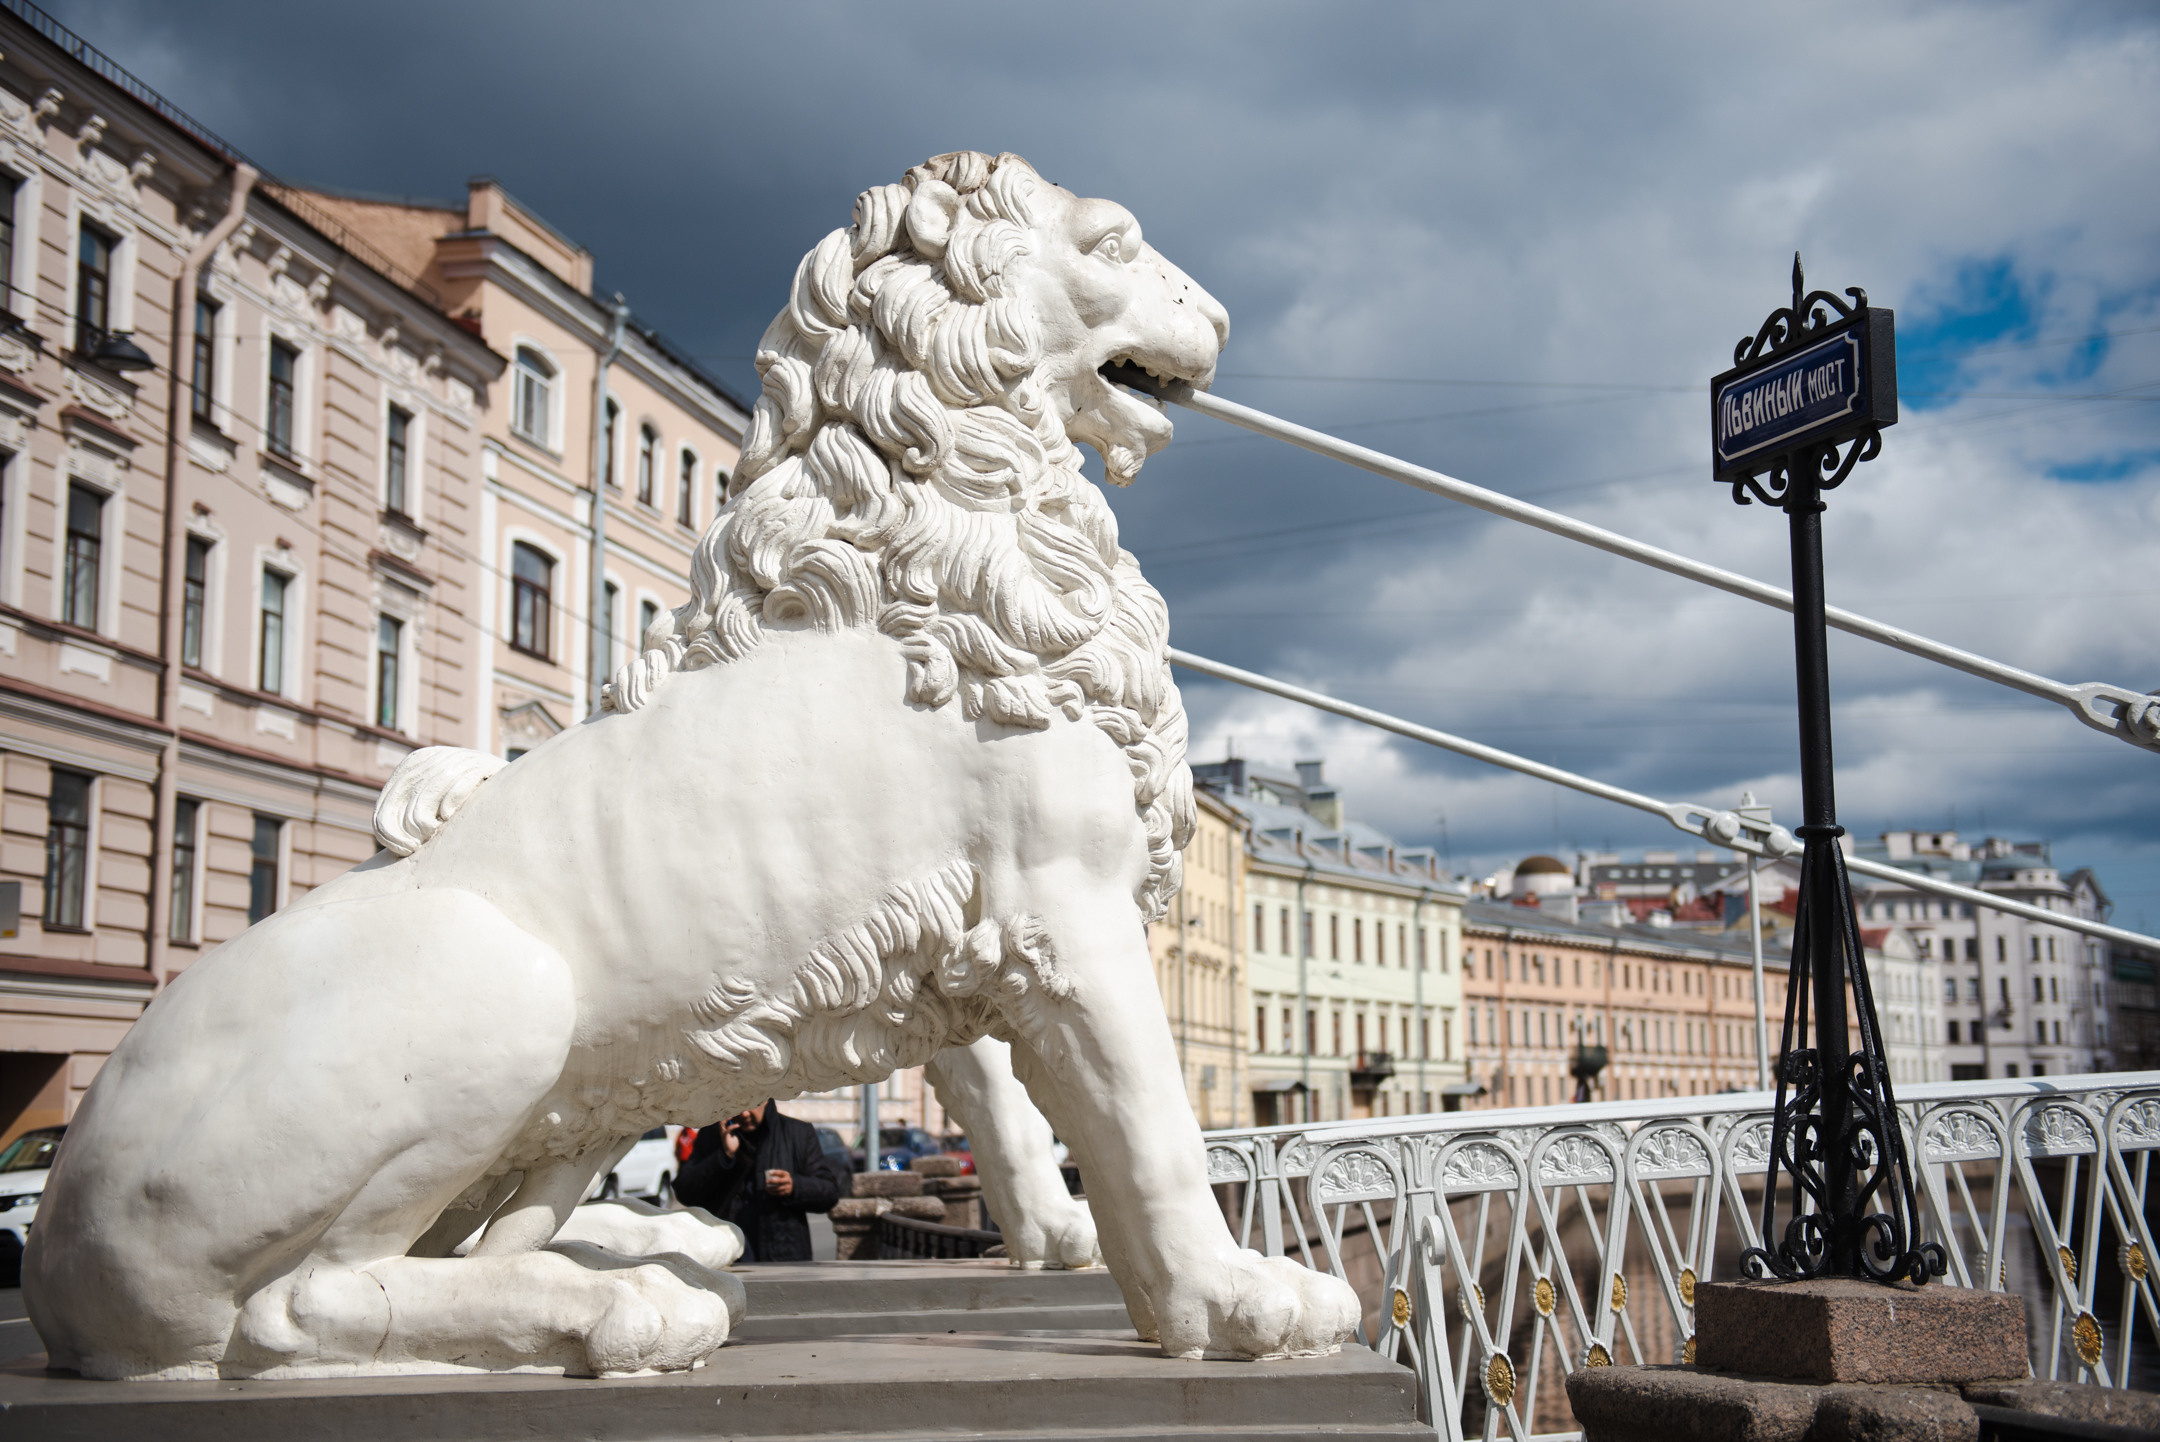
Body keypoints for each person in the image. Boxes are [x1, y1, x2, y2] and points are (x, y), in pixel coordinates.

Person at [672, 1098, 844, 1262]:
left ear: (766, 1099)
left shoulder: (797, 1132)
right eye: (739, 1105)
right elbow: (685, 1192)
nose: (745, 1113)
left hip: (783, 1259)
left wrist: (794, 1186)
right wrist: (724, 1156)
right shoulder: (713, 1134)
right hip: (727, 1256)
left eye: (752, 1103)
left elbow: (829, 1192)